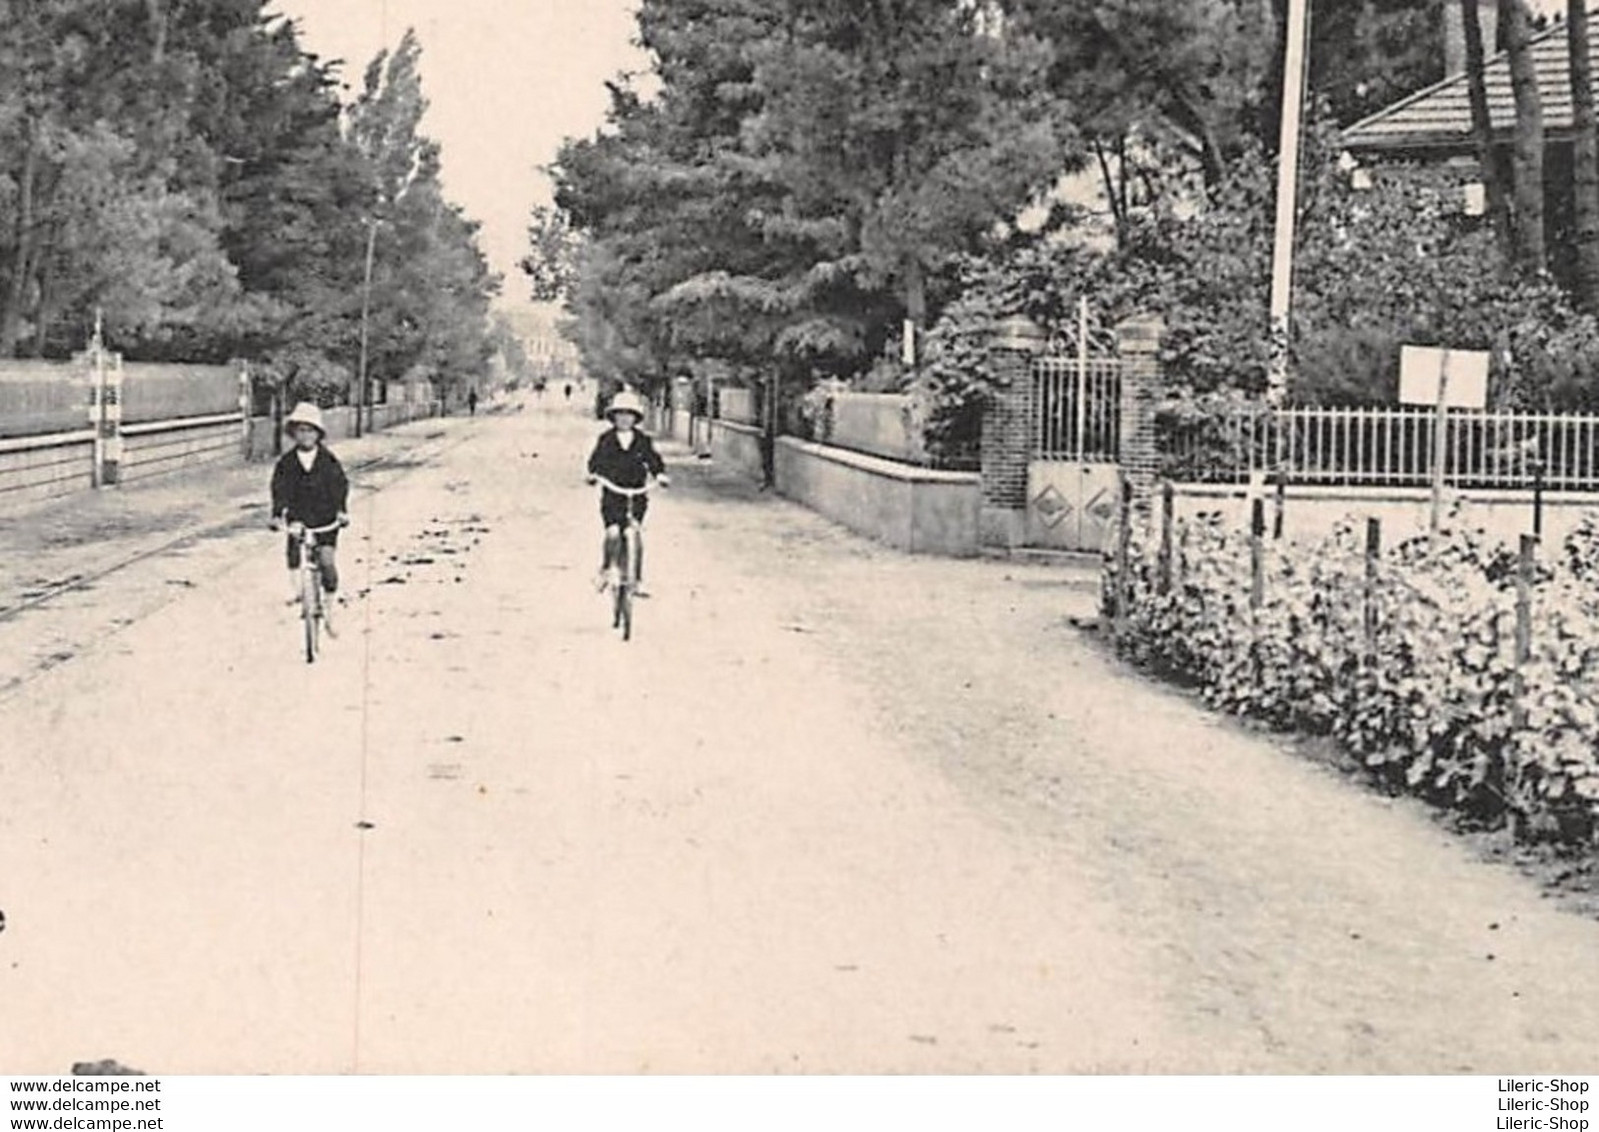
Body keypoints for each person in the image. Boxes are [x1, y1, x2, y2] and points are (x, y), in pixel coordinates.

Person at [585, 389, 668, 598]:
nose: (624, 418)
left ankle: (637, 580)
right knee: (613, 533)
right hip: (613, 494)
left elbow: (654, 461)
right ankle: (605, 569)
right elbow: (595, 462)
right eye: (620, 414)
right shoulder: (606, 439)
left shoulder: (642, 440)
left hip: (636, 493)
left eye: (629, 414)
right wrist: (593, 475)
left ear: (635, 418)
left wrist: (660, 475)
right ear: (613, 417)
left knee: (635, 533)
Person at [269, 402, 350, 605]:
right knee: (295, 549)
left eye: (310, 431)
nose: (306, 436)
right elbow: (279, 489)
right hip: (299, 515)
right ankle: (297, 590)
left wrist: (341, 511)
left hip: (325, 517)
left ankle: (330, 601)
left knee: (326, 561)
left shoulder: (328, 460)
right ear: (294, 434)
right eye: (301, 431)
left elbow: (340, 486)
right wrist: (277, 514)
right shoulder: (286, 463)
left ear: (318, 434)